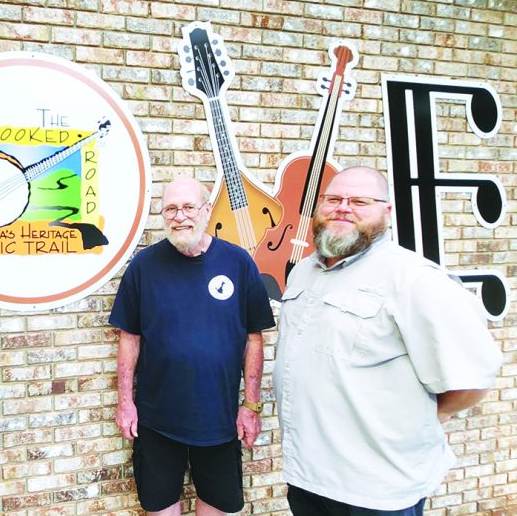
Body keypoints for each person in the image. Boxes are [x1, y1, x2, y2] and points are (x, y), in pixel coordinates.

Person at [274, 166, 501, 516]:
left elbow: (471, 380)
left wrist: (419, 418)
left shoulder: (414, 280)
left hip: (376, 489)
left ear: (386, 211)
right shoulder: (304, 271)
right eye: (332, 199)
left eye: (360, 201)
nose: (343, 207)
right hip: (308, 478)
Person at [111, 176, 276, 516]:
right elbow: (129, 338)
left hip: (219, 419)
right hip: (156, 420)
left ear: (205, 210)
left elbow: (254, 339)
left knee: (217, 508)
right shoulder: (144, 266)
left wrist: (252, 406)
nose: (179, 216)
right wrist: (125, 402)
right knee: (159, 508)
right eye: (170, 208)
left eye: (188, 207)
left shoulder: (238, 262)